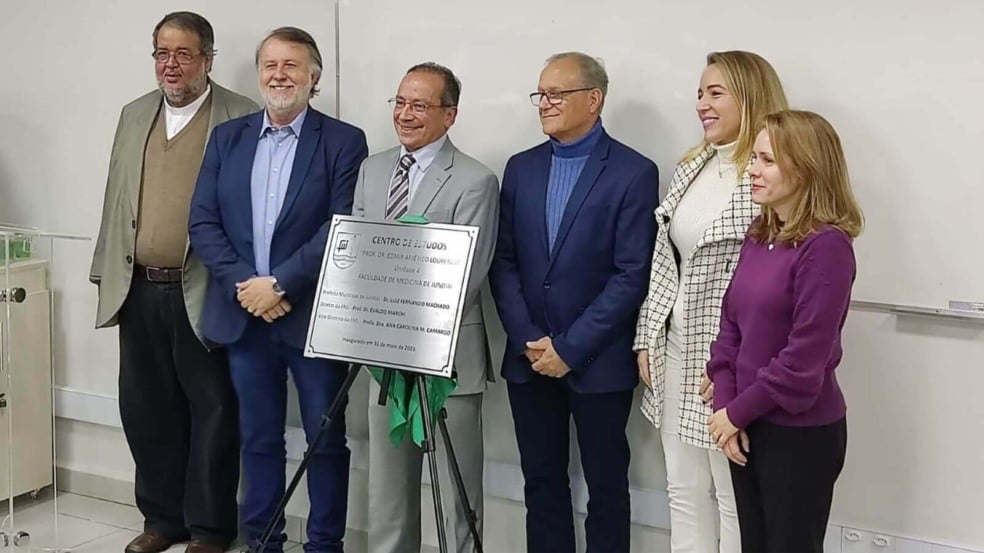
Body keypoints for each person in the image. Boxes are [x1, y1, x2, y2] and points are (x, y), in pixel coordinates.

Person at [187, 27, 368, 553]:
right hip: (245, 317)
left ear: (314, 76)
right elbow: (203, 222)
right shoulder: (228, 137)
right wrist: (248, 287)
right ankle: (264, 542)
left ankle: (324, 545)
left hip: (311, 317)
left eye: (292, 65)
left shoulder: (342, 140)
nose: (279, 74)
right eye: (270, 64)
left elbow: (340, 224)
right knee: (258, 440)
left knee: (325, 440)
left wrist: (280, 283)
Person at [89, 11, 256, 553]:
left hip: (205, 290)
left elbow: (254, 212)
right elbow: (117, 199)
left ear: (208, 58)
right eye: (162, 52)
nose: (171, 64)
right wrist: (104, 272)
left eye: (184, 53)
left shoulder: (240, 114)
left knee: (212, 410)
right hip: (138, 287)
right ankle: (163, 521)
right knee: (146, 407)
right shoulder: (134, 114)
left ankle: (209, 529)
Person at [490, 51, 659, 553]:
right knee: (541, 484)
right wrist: (528, 339)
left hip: (597, 362)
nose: (544, 104)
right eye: (540, 94)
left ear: (594, 99)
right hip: (529, 359)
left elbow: (632, 275)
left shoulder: (633, 171)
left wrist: (570, 347)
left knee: (606, 489)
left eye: (556, 94)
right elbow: (504, 263)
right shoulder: (520, 168)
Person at [633, 51, 788, 553]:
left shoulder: (769, 179)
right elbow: (665, 261)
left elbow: (769, 286)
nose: (702, 104)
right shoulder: (692, 166)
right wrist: (646, 337)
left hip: (730, 364)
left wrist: (732, 364)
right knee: (682, 488)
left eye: (715, 93)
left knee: (731, 496)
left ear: (750, 97)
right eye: (700, 93)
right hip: (675, 349)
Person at [354, 62, 500, 553]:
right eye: (400, 102)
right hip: (381, 360)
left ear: (449, 115)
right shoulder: (372, 169)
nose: (406, 114)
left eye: (420, 105)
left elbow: (468, 275)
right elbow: (356, 257)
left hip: (448, 360)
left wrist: (396, 307)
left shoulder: (475, 180)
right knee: (388, 492)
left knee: (457, 492)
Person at [706, 110, 863, 552]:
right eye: (754, 158)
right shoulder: (761, 232)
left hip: (798, 435)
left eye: (766, 160)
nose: (752, 169)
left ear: (805, 167)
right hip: (746, 423)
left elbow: (804, 359)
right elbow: (730, 328)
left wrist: (735, 414)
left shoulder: (827, 247)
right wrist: (727, 407)